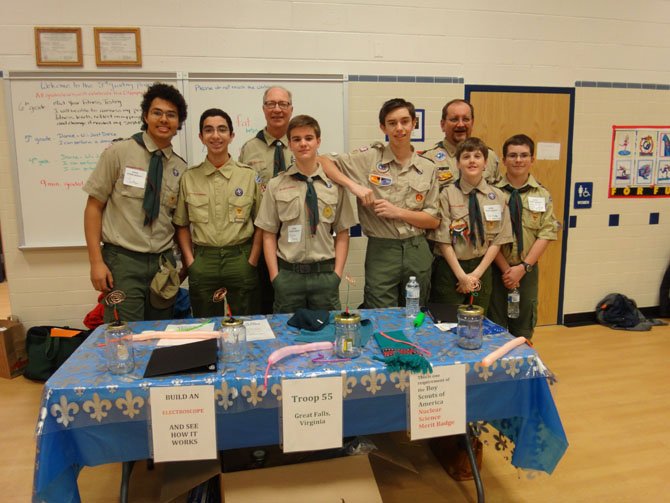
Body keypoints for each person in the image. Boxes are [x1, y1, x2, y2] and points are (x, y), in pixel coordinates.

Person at [319, 98, 440, 308]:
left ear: (414, 123)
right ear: (383, 127)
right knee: (380, 312)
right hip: (382, 249)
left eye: (404, 121)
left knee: (416, 310)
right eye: (392, 123)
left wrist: (397, 212)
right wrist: (353, 186)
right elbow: (322, 161)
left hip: (417, 248)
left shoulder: (428, 167)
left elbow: (433, 220)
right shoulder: (369, 159)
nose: (399, 128)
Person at [84, 82, 188, 322]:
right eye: (157, 112)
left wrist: (181, 266)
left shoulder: (180, 169)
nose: (164, 120)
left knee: (160, 334)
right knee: (124, 337)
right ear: (145, 116)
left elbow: (178, 222)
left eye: (171, 115)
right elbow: (94, 207)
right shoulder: (118, 153)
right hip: (123, 262)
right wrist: (96, 262)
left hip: (163, 265)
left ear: (178, 123)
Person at [255, 115, 356, 313]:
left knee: (328, 335)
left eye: (308, 138)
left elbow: (343, 233)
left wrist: (336, 274)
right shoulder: (276, 185)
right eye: (297, 139)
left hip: (325, 275)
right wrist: (276, 276)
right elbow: (268, 233)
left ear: (318, 141)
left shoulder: (335, 186)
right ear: (289, 144)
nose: (303, 143)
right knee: (287, 334)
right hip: (289, 276)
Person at [173, 109, 260, 317]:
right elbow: (181, 224)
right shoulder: (189, 177)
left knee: (247, 322)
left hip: (240, 258)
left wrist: (252, 261)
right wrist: (190, 261)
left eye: (222, 129)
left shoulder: (248, 176)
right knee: (206, 323)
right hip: (204, 260)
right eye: (208, 130)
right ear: (201, 137)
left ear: (231, 135)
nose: (215, 135)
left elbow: (262, 224)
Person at [488, 134, 559, 338]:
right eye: (512, 155)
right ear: (504, 160)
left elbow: (547, 232)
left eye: (523, 155)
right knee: (494, 328)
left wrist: (523, 267)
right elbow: (488, 236)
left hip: (526, 270)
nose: (518, 160)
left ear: (532, 159)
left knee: (523, 329)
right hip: (496, 269)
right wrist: (507, 270)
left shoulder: (542, 194)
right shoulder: (492, 194)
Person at [431, 137, 512, 311]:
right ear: (458, 164)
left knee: (477, 321)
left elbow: (497, 240)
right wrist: (462, 277)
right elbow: (443, 240)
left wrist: (475, 275)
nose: (472, 160)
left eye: (477, 156)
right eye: (466, 157)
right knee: (447, 321)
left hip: (481, 268)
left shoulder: (498, 197)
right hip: (450, 269)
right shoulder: (447, 195)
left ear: (485, 163)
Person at [239, 86, 294, 313]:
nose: (277, 109)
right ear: (263, 109)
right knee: (261, 304)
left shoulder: (302, 145)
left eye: (283, 104)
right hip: (260, 240)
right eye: (271, 104)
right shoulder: (249, 149)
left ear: (291, 109)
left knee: (290, 304)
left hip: (294, 241)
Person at [421, 99, 500, 190]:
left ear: (472, 123)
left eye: (466, 119)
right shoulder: (428, 159)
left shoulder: (489, 156)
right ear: (443, 125)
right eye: (454, 119)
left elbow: (497, 194)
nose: (461, 124)